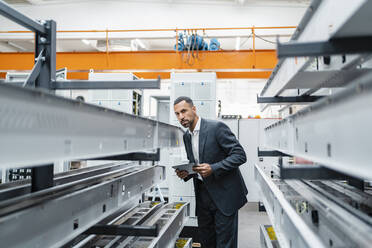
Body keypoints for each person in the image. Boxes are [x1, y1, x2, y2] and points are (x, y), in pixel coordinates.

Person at [173, 96, 248, 248]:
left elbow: (240, 155)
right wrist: (187, 173)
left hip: (224, 196)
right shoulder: (187, 136)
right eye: (177, 114)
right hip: (203, 198)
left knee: (225, 244)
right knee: (207, 242)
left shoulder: (216, 128)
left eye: (184, 111)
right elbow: (196, 164)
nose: (181, 117)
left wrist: (213, 168)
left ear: (193, 109)